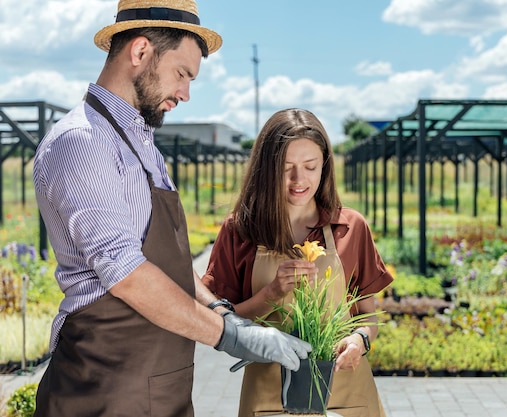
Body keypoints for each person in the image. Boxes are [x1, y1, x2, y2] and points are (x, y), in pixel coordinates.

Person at [32, 1, 310, 416]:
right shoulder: (83, 143)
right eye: (182, 74)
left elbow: (171, 263)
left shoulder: (144, 147)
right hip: (104, 385)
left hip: (162, 382)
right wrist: (228, 337)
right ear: (140, 52)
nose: (185, 93)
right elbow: (126, 273)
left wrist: (221, 312)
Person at [202, 108, 394, 417]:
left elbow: (368, 318)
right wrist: (271, 294)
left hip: (346, 390)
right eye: (286, 167)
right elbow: (220, 322)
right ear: (266, 169)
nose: (298, 180)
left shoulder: (351, 227)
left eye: (310, 167)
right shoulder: (240, 231)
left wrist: (359, 341)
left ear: (325, 167)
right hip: (268, 393)